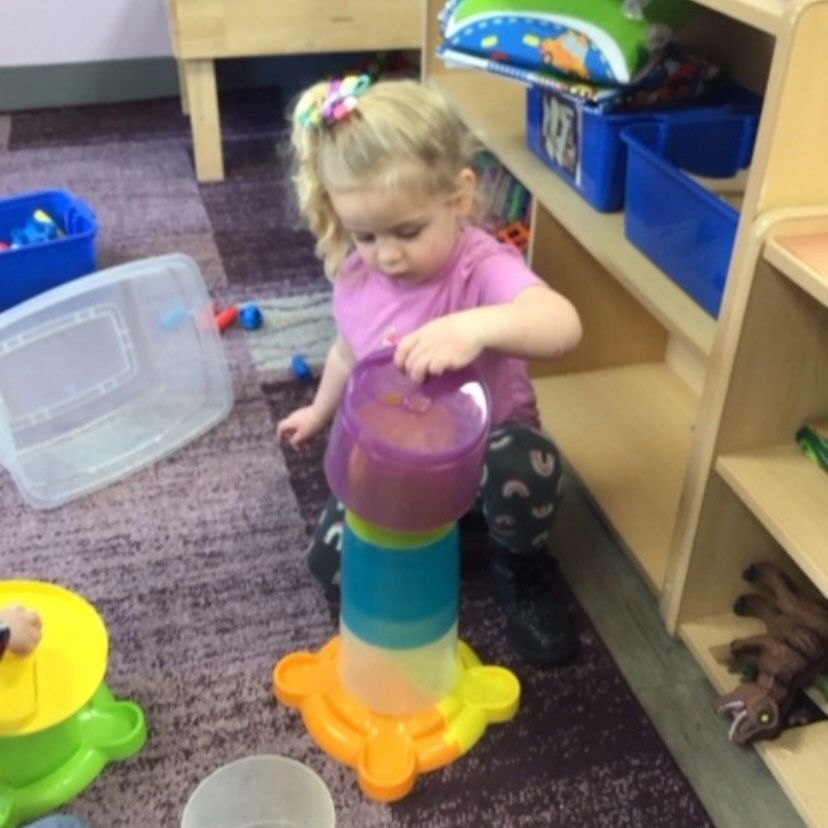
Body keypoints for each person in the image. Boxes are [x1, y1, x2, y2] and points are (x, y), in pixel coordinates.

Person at [276, 76, 583, 666]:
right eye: (366, 234)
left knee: (528, 465)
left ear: (460, 197)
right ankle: (442, 532)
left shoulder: (481, 266)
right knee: (329, 566)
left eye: (407, 232)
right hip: (402, 462)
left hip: (485, 452)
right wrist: (319, 410)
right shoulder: (356, 271)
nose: (387, 255)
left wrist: (476, 328)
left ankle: (519, 564)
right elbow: (347, 350)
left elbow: (562, 325)